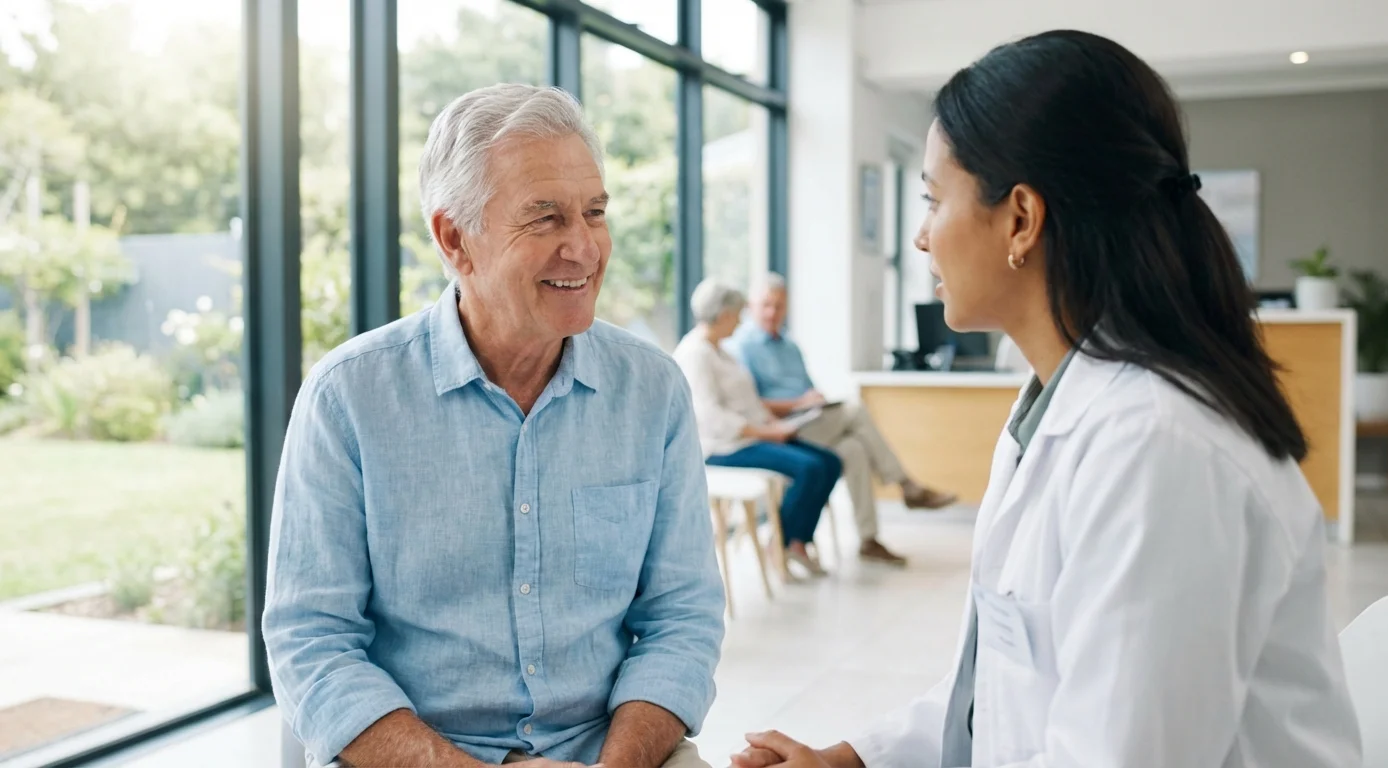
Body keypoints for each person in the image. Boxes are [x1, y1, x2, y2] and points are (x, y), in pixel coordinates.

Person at [731, 30, 1361, 768]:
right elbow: (1003, 684)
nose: (921, 237)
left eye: (934, 200)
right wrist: (855, 758)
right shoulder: (1057, 408)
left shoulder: (1158, 447)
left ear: (1021, 219)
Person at [263, 84, 725, 768]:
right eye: (545, 219)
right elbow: (312, 641)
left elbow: (681, 619)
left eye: (594, 214)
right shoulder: (348, 396)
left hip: (603, 751)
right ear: (454, 238)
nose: (583, 248)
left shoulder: (652, 390)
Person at [728, 274, 957, 566]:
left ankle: (868, 539)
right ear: (751, 306)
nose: (772, 312)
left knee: (854, 450)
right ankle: (906, 486)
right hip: (780, 430)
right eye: (766, 305)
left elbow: (806, 388)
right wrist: (799, 403)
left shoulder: (789, 346)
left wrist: (814, 399)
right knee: (854, 410)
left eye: (778, 306)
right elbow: (753, 405)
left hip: (809, 420)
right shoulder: (742, 347)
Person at [674, 279, 842, 578]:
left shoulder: (723, 352)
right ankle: (781, 543)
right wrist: (767, 433)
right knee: (810, 469)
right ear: (723, 314)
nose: (740, 320)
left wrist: (776, 424)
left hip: (752, 437)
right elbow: (710, 416)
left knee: (831, 462)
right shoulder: (695, 354)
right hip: (723, 448)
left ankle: (795, 540)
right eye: (737, 314)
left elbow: (748, 402)